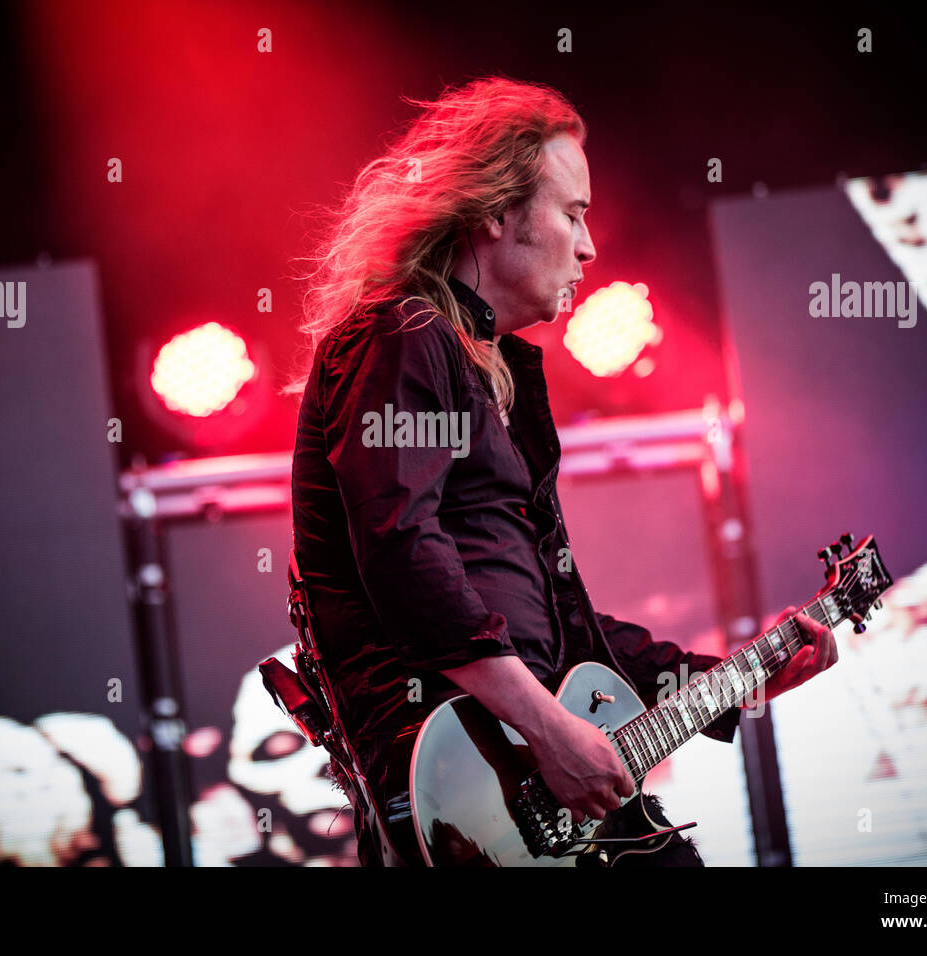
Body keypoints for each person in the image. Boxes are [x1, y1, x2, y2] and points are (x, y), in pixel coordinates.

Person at [287, 76, 837, 867]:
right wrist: (547, 730)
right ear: (496, 212)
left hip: (531, 780)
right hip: (471, 781)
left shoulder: (493, 371)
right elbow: (400, 549)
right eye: (573, 213)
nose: (590, 246)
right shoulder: (401, 334)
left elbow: (572, 633)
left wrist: (745, 678)